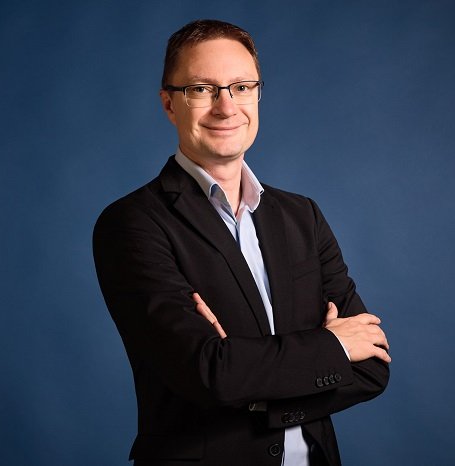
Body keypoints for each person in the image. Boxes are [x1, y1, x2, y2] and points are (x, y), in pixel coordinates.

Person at [93, 19, 390, 466]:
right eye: (202, 89)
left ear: (257, 94)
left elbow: (372, 366)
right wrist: (331, 347)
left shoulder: (302, 216)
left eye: (241, 87)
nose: (226, 107)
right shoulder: (132, 224)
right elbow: (209, 372)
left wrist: (252, 379)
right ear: (170, 104)